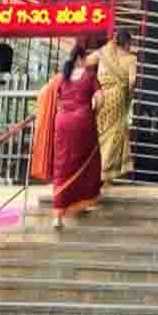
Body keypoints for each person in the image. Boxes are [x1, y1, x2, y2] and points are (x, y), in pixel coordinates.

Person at [50, 42, 102, 228]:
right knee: (87, 160)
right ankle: (83, 202)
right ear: (81, 58)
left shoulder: (62, 78)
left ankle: (57, 216)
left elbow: (56, 101)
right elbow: (99, 100)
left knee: (62, 165)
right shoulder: (89, 76)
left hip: (62, 122)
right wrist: (91, 113)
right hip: (82, 121)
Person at [91, 29, 138, 185]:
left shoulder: (102, 53)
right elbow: (132, 82)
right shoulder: (131, 59)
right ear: (127, 43)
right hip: (118, 98)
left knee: (100, 134)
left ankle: (96, 173)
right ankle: (106, 177)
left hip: (101, 98)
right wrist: (128, 100)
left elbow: (85, 62)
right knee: (113, 136)